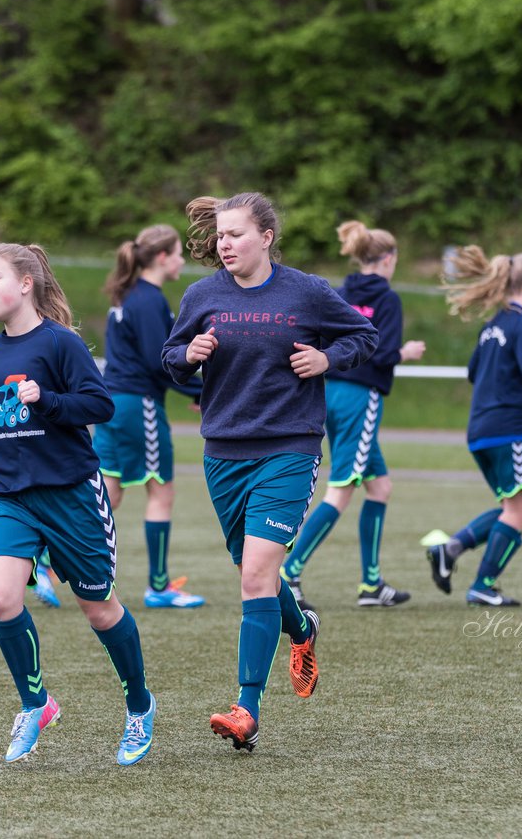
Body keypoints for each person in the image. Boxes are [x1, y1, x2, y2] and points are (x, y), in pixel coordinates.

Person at [162, 192, 378, 752]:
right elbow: (168, 356)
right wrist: (189, 356)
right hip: (222, 454)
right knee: (253, 570)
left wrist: (328, 359)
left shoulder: (306, 291)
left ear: (266, 238)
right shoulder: (201, 295)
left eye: (235, 234)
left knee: (255, 576)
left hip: (289, 448)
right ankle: (302, 628)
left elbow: (364, 336)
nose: (224, 244)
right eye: (220, 235)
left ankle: (246, 708)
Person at [0, 241, 155, 766]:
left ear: (26, 283)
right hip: (10, 496)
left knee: (98, 608)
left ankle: (139, 705)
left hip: (71, 495)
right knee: (1, 600)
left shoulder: (61, 343)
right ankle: (36, 703)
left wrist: (45, 399)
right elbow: (6, 423)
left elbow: (99, 404)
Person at [424, 246, 522, 607]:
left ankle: (450, 549)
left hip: (479, 431)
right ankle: (483, 584)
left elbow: (473, 372)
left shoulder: (492, 325)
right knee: (518, 511)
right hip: (509, 430)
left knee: (509, 508)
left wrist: (517, 378)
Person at [281, 220, 425, 610]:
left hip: (331, 393)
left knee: (379, 487)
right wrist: (406, 353)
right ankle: (289, 574)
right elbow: (381, 349)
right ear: (389, 259)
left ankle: (372, 584)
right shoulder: (388, 299)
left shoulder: (341, 292)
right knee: (342, 489)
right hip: (362, 397)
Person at [93, 224, 205, 609]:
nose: (181, 260)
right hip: (138, 405)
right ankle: (158, 585)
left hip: (112, 403)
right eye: (177, 253)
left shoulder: (129, 295)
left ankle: (43, 561)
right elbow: (161, 362)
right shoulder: (148, 299)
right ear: (161, 257)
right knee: (161, 490)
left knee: (109, 491)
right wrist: (203, 391)